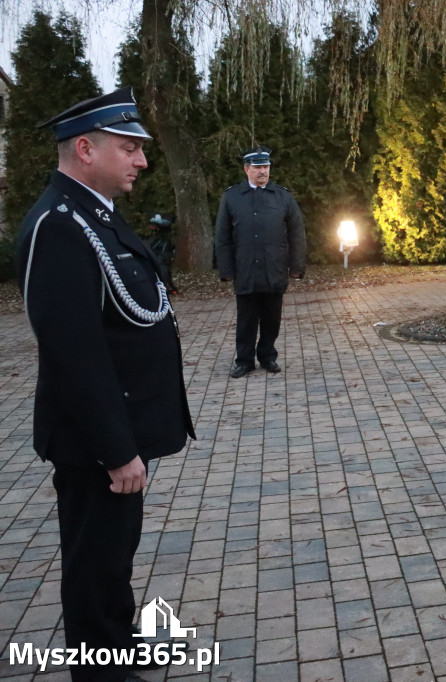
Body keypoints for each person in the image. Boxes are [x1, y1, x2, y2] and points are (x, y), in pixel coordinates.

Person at [15, 87, 195, 682]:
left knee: (115, 554)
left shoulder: (93, 213)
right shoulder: (59, 224)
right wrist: (116, 451)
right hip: (95, 442)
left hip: (118, 429)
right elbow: (73, 353)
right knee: (94, 562)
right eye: (129, 148)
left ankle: (116, 644)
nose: (142, 160)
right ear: (85, 150)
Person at [216, 146, 307, 378]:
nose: (262, 171)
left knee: (271, 319)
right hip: (245, 269)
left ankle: (267, 357)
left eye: (265, 166)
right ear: (246, 169)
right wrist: (226, 270)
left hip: (274, 268)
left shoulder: (283, 197)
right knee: (246, 319)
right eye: (257, 167)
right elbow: (222, 236)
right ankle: (244, 360)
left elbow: (297, 233)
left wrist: (296, 267)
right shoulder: (232, 197)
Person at [145, 213, 177, 294]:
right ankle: (166, 286)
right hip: (159, 255)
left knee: (163, 268)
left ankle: (166, 286)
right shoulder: (157, 237)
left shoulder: (165, 237)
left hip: (163, 257)